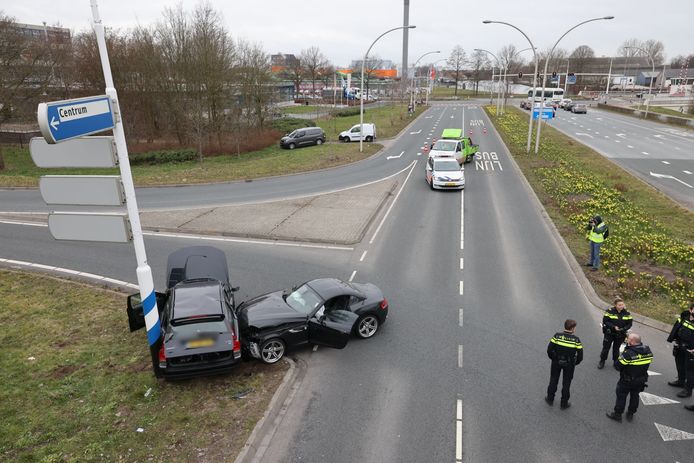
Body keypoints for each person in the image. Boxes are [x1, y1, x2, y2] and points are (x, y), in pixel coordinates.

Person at [606, 332, 653, 422]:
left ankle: (618, 414)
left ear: (631, 341)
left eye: (628, 339)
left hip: (627, 380)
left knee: (621, 396)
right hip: (641, 379)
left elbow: (617, 366)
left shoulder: (628, 354)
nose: (626, 340)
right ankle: (631, 413)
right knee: (635, 396)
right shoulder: (648, 351)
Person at [545, 319, 583, 410]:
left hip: (556, 362)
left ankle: (550, 399)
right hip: (569, 364)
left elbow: (549, 350)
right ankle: (564, 403)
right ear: (573, 328)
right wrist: (574, 363)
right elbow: (580, 356)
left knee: (553, 379)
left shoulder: (557, 336)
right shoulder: (576, 340)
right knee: (566, 383)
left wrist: (554, 358)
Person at [666, 302, 694, 399]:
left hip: (691, 349)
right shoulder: (684, 316)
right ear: (691, 310)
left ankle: (688, 390)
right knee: (679, 364)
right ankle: (681, 381)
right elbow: (676, 327)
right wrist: (672, 338)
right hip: (680, 344)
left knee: (690, 371)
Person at [598, 297, 633, 370]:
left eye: (622, 304)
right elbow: (605, 321)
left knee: (616, 349)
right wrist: (613, 327)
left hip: (620, 334)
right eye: (619, 305)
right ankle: (602, 361)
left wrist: (623, 329)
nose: (621, 306)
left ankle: (615, 362)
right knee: (606, 348)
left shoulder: (627, 313)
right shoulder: (609, 311)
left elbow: (629, 324)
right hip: (610, 333)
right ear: (615, 305)